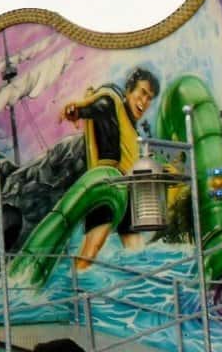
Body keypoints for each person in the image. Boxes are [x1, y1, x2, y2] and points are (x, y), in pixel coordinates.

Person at [61, 67, 160, 268]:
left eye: (149, 98)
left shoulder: (133, 129)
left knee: (136, 249)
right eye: (141, 92)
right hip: (106, 187)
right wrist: (76, 112)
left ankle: (140, 288)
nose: (144, 101)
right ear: (128, 91)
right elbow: (94, 108)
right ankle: (77, 286)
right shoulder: (110, 104)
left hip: (126, 189)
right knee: (93, 248)